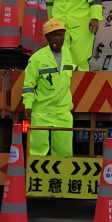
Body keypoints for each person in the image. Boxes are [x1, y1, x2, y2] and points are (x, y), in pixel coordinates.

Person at [20, 19, 75, 157]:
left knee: (64, 154)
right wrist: (28, 105)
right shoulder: (37, 58)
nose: (57, 38)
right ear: (47, 38)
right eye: (53, 35)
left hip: (62, 113)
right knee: (37, 153)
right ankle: (36, 171)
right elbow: (29, 85)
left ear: (64, 36)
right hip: (41, 112)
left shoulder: (69, 55)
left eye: (60, 35)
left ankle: (61, 171)